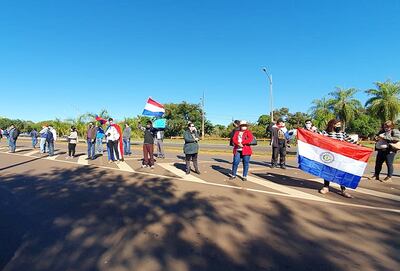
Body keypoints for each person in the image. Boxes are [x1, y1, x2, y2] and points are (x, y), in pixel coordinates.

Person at [319, 119, 357, 198]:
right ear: (332, 125)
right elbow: (314, 136)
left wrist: (362, 147)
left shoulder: (342, 133)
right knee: (328, 171)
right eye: (337, 125)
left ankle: (343, 189)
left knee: (341, 172)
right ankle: (326, 187)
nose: (339, 126)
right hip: (329, 156)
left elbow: (351, 141)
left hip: (340, 156)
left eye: (340, 125)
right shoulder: (325, 133)